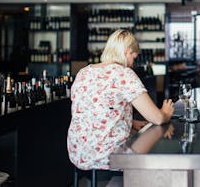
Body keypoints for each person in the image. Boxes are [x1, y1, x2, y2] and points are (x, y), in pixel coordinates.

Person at [67, 29, 174, 171]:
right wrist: (165, 112)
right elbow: (157, 118)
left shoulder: (84, 72)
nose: (132, 64)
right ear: (127, 51)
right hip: (108, 156)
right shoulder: (123, 73)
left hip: (78, 152)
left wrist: (129, 122)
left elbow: (94, 109)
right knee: (157, 152)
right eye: (133, 58)